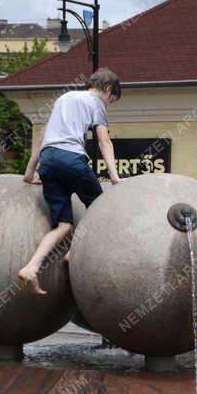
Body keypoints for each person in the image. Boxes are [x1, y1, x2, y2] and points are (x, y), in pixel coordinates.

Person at [17, 68, 122, 295]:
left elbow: (43, 137)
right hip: (71, 159)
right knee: (101, 208)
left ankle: (31, 267)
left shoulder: (63, 99)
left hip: (48, 161)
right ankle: (73, 253)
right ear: (108, 89)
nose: (108, 104)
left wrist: (29, 172)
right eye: (111, 100)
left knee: (63, 225)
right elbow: (104, 141)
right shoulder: (96, 104)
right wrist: (114, 176)